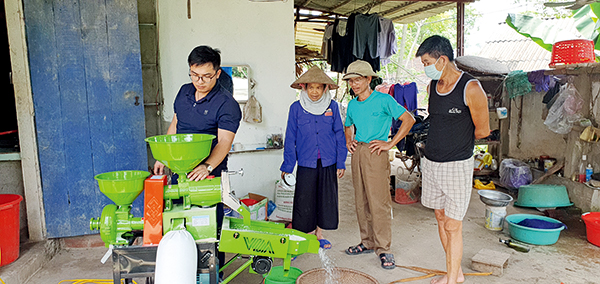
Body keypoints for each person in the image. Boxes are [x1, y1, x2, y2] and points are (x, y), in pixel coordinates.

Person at [152, 45, 242, 278]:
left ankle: (214, 273)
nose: (199, 81)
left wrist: (207, 166)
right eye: (194, 74)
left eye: (206, 76)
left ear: (218, 73)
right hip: (179, 171)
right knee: (177, 220)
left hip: (209, 175)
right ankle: (181, 270)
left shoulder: (226, 104)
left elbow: (224, 142)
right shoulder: (183, 92)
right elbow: (175, 124)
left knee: (209, 226)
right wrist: (163, 155)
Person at [416, 35, 490, 284]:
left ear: (442, 60)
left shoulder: (471, 88)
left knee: (452, 225)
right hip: (431, 163)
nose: (425, 67)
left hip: (457, 165)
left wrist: (457, 143)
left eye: (427, 61)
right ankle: (454, 273)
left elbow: (482, 130)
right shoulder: (432, 87)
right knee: (439, 217)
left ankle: (451, 281)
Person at [343, 60, 415, 269]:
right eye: (351, 81)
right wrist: (349, 140)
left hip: (377, 152)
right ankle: (367, 242)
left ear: (368, 79)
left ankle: (384, 248)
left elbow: (408, 119)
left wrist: (391, 143)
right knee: (361, 200)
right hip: (358, 152)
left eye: (358, 80)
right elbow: (348, 125)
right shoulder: (353, 104)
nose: (354, 84)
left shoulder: (384, 100)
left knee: (379, 202)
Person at [280, 66, 347, 250]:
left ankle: (319, 234)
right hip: (306, 161)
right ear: (304, 88)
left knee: (325, 198)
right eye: (311, 87)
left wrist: (341, 161)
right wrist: (287, 165)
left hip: (328, 161)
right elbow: (291, 137)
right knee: (304, 199)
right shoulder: (296, 108)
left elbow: (340, 135)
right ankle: (304, 237)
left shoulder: (332, 107)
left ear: (325, 89)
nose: (315, 92)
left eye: (319, 88)